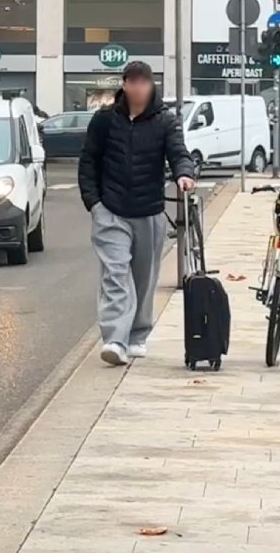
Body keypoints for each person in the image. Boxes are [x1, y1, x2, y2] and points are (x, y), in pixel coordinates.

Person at [78, 61, 197, 367]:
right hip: (111, 211)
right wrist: (94, 203)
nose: (138, 87)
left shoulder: (165, 122)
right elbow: (89, 161)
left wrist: (184, 174)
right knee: (115, 275)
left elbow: (178, 153)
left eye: (144, 82)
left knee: (144, 279)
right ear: (125, 84)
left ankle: (137, 334)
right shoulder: (105, 121)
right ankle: (115, 339)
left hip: (148, 212)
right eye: (132, 82)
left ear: (151, 86)